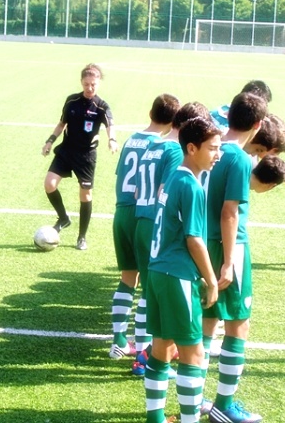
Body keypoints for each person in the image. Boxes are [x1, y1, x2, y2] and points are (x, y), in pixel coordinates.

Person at [143, 117, 221, 423]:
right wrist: (211, 280)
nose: (217, 155)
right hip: (177, 276)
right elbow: (194, 239)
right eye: (212, 148)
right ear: (191, 148)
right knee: (194, 354)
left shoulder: (174, 177)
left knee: (161, 348)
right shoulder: (191, 186)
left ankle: (155, 418)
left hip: (157, 272)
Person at [200, 92, 267, 423]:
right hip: (229, 248)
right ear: (258, 124)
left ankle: (194, 398)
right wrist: (229, 261)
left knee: (206, 324)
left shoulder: (209, 150)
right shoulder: (239, 159)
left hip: (200, 244)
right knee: (238, 324)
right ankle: (224, 406)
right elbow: (230, 212)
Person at [109, 94, 178, 365]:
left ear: (150, 112)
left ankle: (118, 339)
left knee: (128, 277)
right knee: (148, 286)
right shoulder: (160, 145)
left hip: (121, 211)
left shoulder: (131, 139)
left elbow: (122, 176)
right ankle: (142, 350)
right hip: (142, 213)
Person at [41, 63, 118, 250]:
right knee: (49, 184)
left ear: (98, 83)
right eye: (86, 84)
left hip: (86, 156)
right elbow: (62, 124)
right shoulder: (71, 101)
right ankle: (63, 218)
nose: (89, 88)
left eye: (93, 84)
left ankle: (82, 236)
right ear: (81, 82)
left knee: (85, 194)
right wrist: (50, 141)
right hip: (66, 150)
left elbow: (110, 125)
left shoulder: (102, 106)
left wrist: (112, 140)